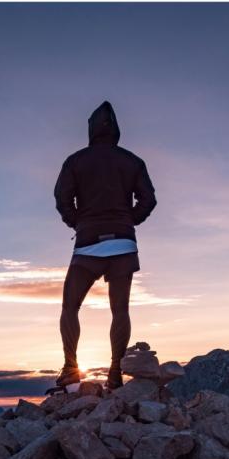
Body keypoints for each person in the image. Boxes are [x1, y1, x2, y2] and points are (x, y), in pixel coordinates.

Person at [52, 100, 157, 392]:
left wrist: (79, 223)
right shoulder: (133, 161)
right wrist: (128, 221)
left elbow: (62, 199)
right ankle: (114, 373)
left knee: (70, 306)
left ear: (91, 129)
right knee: (120, 310)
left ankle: (71, 369)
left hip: (87, 243)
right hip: (123, 242)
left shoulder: (75, 161)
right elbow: (148, 200)